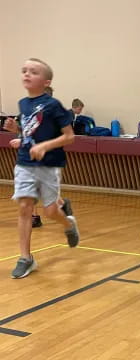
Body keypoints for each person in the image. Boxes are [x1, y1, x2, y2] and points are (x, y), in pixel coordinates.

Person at [7, 58, 80, 279]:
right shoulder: (23, 104)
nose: (27, 74)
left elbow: (69, 137)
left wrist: (45, 146)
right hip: (25, 163)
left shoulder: (53, 105)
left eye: (34, 72)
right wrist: (17, 132)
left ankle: (68, 224)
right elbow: (30, 133)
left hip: (49, 165)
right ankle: (25, 258)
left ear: (46, 81)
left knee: (49, 211)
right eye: (24, 71)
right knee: (24, 207)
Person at [4, 86, 73, 228]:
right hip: (30, 160)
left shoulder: (53, 113)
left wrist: (23, 141)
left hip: (48, 161)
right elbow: (28, 132)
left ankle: (61, 208)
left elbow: (51, 137)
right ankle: (37, 215)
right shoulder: (28, 109)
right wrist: (16, 130)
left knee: (46, 198)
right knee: (31, 193)